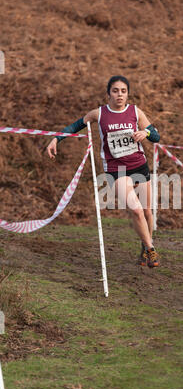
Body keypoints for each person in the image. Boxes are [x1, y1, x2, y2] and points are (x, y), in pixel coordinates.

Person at [47, 75, 160, 268]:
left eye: (123, 91)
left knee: (147, 212)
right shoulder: (99, 114)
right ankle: (151, 249)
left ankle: (145, 247)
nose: (119, 95)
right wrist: (57, 139)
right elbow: (76, 125)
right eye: (115, 91)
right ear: (108, 94)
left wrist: (146, 133)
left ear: (128, 94)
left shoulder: (135, 112)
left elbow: (156, 136)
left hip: (139, 166)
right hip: (116, 169)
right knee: (135, 209)